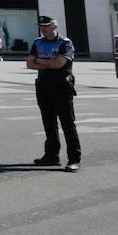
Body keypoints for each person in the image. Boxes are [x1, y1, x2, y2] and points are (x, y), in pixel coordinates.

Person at [28, 15, 81, 172]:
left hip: (61, 86)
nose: (43, 29)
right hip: (43, 85)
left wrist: (40, 61)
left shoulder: (65, 43)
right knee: (49, 122)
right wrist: (49, 63)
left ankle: (74, 159)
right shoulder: (37, 43)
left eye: (46, 26)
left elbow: (59, 64)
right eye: (41, 26)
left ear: (54, 27)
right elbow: (29, 63)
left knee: (67, 123)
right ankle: (51, 155)